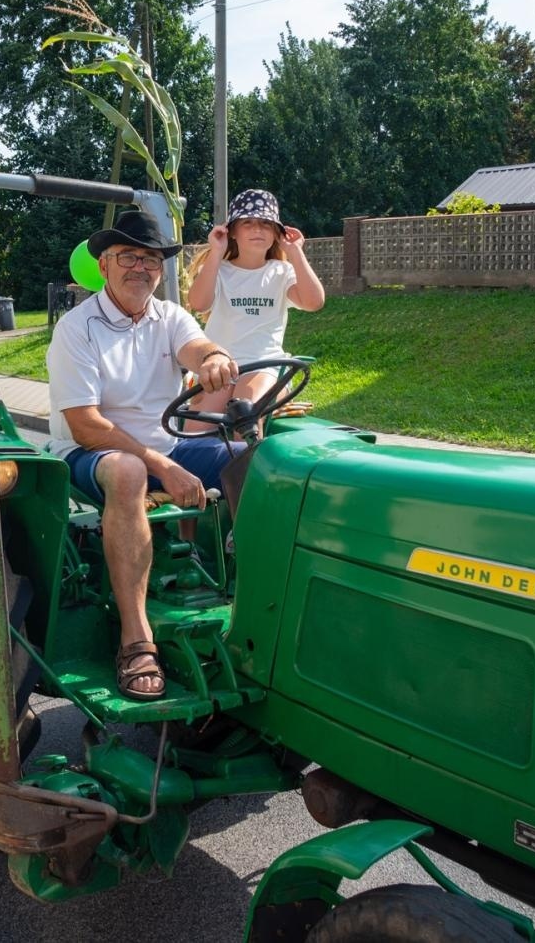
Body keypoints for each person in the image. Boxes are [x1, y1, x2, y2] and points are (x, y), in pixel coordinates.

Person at [46, 209, 241, 701]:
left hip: (167, 446)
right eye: (129, 256)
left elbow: (197, 347)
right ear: (105, 265)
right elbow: (86, 426)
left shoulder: (167, 316)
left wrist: (214, 357)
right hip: (87, 455)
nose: (141, 267)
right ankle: (137, 642)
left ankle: (244, 596)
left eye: (151, 259)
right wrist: (162, 466)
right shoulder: (78, 328)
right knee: (131, 471)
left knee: (256, 457)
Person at [185, 189, 326, 427]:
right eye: (247, 222)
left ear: (276, 233)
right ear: (232, 232)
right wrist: (216, 253)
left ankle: (248, 462)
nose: (257, 229)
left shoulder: (281, 272)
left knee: (246, 414)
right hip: (222, 366)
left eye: (265, 223)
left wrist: (295, 252)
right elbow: (199, 303)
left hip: (265, 365)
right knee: (197, 427)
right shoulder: (219, 271)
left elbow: (313, 302)